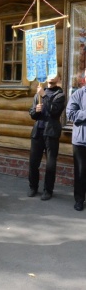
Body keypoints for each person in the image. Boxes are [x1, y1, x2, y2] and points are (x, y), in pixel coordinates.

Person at [28, 74, 65, 200]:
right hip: (38, 132)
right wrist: (36, 111)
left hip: (51, 133)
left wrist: (44, 95)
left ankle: (48, 190)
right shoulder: (39, 93)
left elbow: (54, 111)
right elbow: (32, 114)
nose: (51, 77)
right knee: (33, 162)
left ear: (59, 79)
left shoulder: (60, 95)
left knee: (50, 164)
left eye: (55, 75)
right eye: (50, 74)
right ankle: (33, 187)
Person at [66, 69, 86, 211]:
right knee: (80, 172)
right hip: (81, 141)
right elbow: (71, 114)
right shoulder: (78, 94)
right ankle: (79, 199)